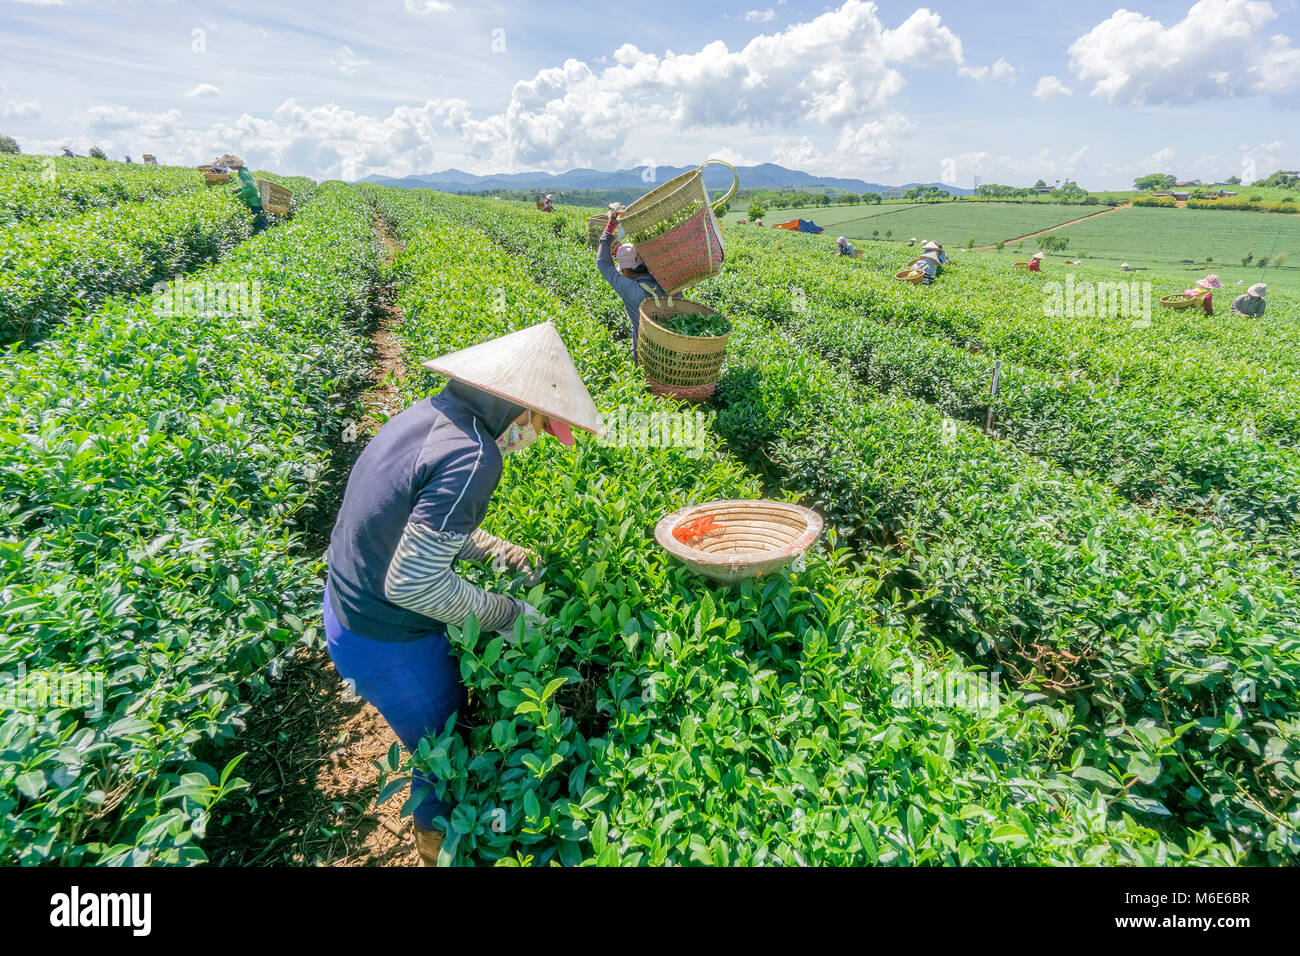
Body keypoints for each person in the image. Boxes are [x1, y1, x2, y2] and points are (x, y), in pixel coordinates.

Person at [324, 322, 604, 866]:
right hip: (389, 642)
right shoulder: (476, 455)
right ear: (515, 407)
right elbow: (413, 580)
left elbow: (417, 522)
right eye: (542, 424)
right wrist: (508, 613)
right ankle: (437, 853)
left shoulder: (427, 414)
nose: (533, 437)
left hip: (346, 612)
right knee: (442, 759)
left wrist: (499, 553)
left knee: (436, 748)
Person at [596, 205, 674, 360]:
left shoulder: (631, 289)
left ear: (625, 271)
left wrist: (610, 227)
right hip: (676, 353)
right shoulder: (668, 278)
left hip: (646, 355)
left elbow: (603, 263)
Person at [232, 165, 270, 233]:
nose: (229, 167)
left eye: (230, 165)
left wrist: (239, 195)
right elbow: (246, 186)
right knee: (260, 222)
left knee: (262, 224)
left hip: (254, 203)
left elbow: (252, 188)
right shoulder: (243, 172)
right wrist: (236, 190)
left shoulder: (244, 174)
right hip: (254, 201)